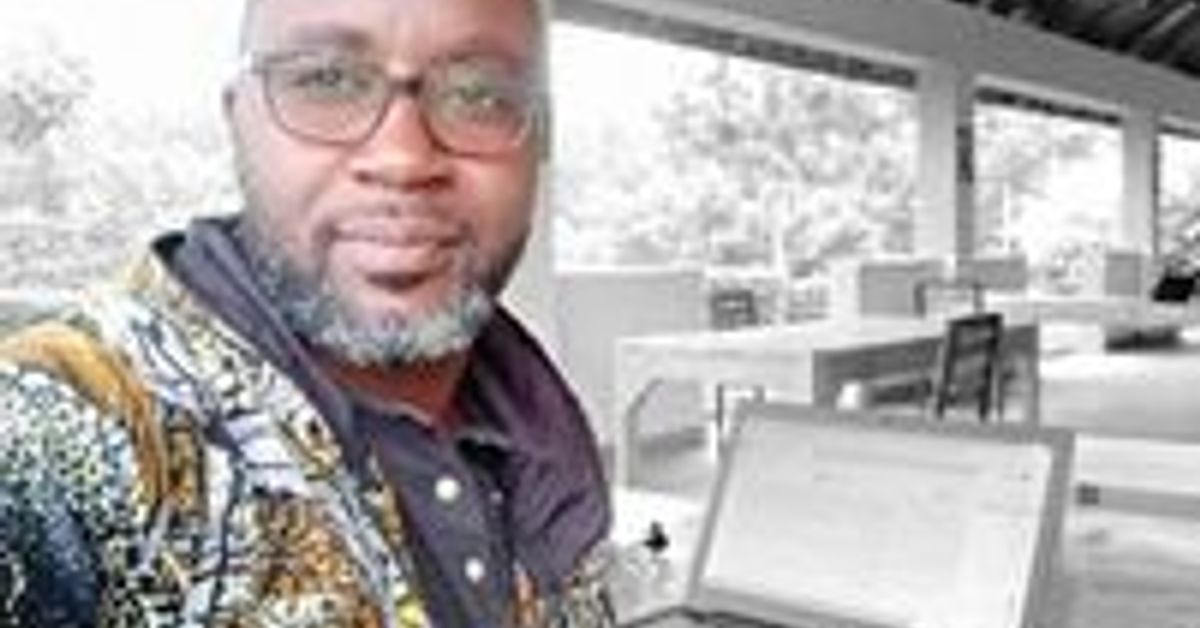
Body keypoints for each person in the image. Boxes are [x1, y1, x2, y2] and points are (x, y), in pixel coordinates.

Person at [0, 0, 614, 625]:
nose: (403, 160)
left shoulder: (542, 434)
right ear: (238, 121)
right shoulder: (52, 431)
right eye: (327, 79)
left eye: (479, 94)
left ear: (540, 137)